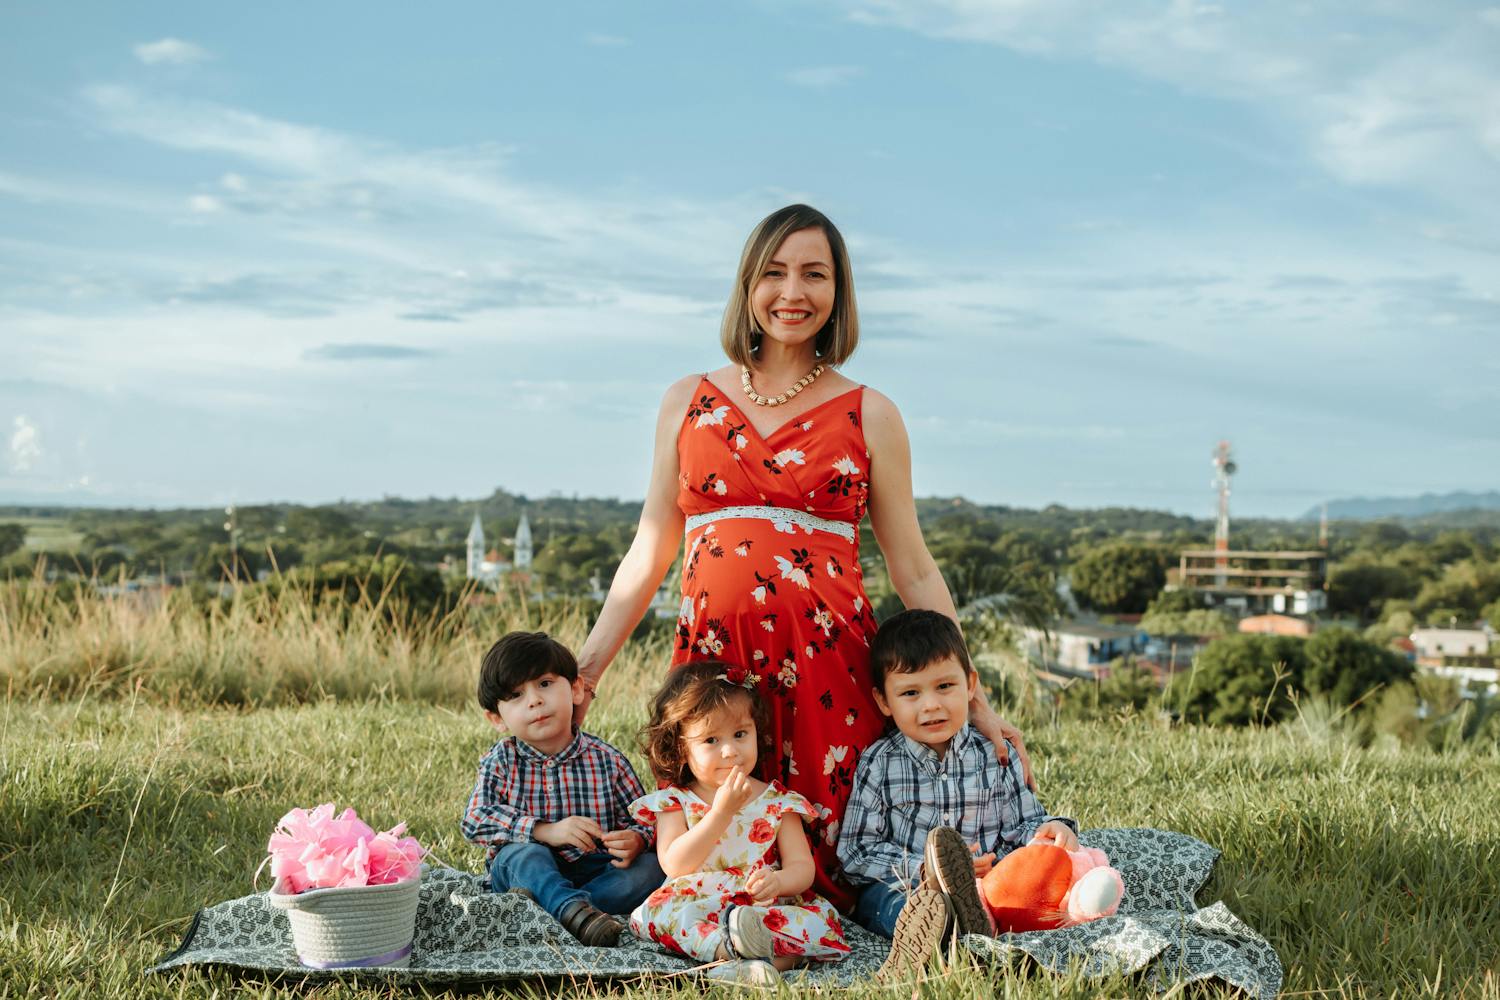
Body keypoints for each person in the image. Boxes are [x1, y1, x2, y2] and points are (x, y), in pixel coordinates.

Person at [573, 203, 1032, 909]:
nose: (793, 292)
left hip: (829, 670)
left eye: (814, 275)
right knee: (714, 846)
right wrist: (588, 667)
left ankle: (919, 915)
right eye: (775, 273)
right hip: (714, 667)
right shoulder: (686, 401)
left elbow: (913, 566)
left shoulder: (870, 412)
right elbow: (650, 546)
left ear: (838, 293)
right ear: (748, 286)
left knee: (840, 857)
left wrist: (974, 696)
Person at [837, 610, 1079, 974]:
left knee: (1036, 888)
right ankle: (934, 928)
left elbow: (1025, 823)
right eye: (910, 693)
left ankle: (974, 922)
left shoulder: (995, 753)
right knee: (888, 904)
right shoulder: (880, 763)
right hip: (908, 888)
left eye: (944, 687)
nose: (931, 705)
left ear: (969, 685)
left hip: (990, 883)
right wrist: (924, 869)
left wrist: (1051, 830)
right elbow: (855, 852)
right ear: (884, 701)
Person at [627, 661, 850, 985]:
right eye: (711, 741)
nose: (731, 751)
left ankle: (756, 968)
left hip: (762, 905)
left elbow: (803, 867)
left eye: (740, 734)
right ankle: (725, 952)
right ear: (681, 747)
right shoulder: (675, 800)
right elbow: (674, 863)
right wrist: (720, 814)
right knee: (667, 914)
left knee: (817, 922)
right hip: (698, 901)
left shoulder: (778, 801)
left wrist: (779, 883)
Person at [461, 631, 666, 947]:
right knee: (522, 855)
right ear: (496, 718)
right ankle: (571, 910)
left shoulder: (607, 761)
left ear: (575, 689)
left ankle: (561, 910)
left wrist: (637, 840)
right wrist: (543, 830)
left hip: (596, 870)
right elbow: (474, 820)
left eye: (544, 683)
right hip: (527, 866)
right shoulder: (501, 760)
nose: (535, 700)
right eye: (516, 695)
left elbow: (646, 819)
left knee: (651, 868)